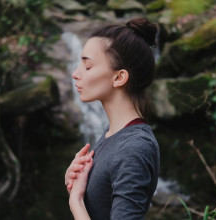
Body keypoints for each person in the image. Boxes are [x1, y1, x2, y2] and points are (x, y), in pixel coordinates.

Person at [65, 17, 160, 220]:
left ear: (119, 77)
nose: (75, 74)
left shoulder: (134, 148)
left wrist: (76, 202)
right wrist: (77, 184)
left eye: (88, 67)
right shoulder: (113, 134)